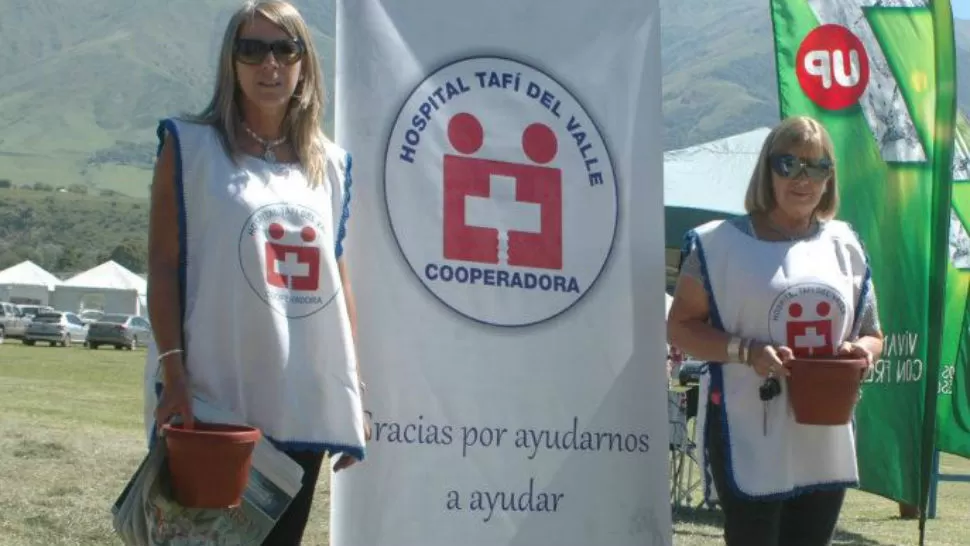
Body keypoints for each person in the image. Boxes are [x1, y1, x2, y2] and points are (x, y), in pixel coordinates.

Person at [144, 1, 368, 543]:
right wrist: (175, 376)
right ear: (232, 63)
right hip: (214, 398)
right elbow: (163, 265)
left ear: (304, 62)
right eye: (252, 49)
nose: (269, 64)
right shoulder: (191, 148)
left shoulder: (328, 165)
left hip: (297, 399)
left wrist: (352, 391)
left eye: (284, 49)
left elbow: (336, 282)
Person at [666, 115, 884, 546]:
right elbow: (681, 328)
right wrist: (744, 350)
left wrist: (862, 352)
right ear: (768, 170)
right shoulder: (717, 245)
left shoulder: (847, 245)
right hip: (749, 426)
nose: (803, 178)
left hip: (823, 434)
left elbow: (873, 332)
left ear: (829, 178)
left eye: (817, 166)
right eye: (790, 164)